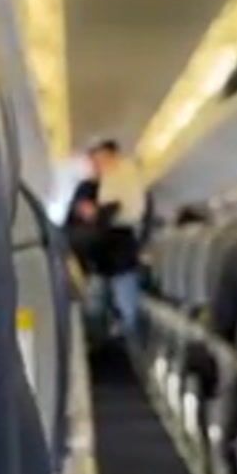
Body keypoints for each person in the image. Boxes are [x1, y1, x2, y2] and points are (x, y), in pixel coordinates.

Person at [88, 139, 146, 333]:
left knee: (123, 296)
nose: (96, 165)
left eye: (98, 159)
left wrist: (95, 214)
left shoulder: (121, 174)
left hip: (120, 244)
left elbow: (114, 208)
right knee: (120, 295)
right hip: (116, 245)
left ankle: (126, 337)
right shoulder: (119, 174)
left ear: (109, 155)